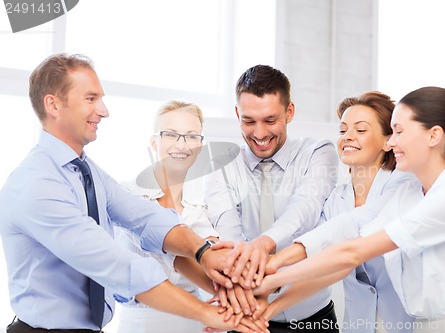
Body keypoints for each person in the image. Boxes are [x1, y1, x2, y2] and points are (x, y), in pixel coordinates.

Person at [0, 53, 268, 333]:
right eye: (91, 99)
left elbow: (146, 218)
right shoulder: (37, 185)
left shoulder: (86, 170)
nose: (104, 111)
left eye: (191, 135)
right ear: (53, 104)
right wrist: (210, 314)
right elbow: (118, 266)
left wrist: (203, 252)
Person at [254, 86, 445, 333]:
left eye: (399, 131)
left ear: (433, 136)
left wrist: (272, 278)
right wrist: (271, 298)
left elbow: (352, 252)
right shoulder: (409, 194)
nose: (393, 140)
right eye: (343, 129)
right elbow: (349, 234)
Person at [250, 91, 416, 333]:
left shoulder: (404, 184)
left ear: (387, 141)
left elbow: (351, 228)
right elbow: (323, 268)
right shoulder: (335, 201)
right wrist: (269, 310)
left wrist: (274, 266)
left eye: (360, 130)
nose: (347, 137)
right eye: (342, 130)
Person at [204, 64, 339, 332]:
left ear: (289, 112)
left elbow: (305, 209)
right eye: (249, 121)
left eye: (270, 120)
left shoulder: (318, 152)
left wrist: (262, 244)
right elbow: (227, 228)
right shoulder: (221, 164)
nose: (260, 133)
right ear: (236, 114)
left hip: (312, 319)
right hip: (244, 317)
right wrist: (244, 265)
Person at [113, 101, 220, 333]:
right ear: (154, 142)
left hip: (193, 322)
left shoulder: (203, 203)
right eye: (171, 134)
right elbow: (170, 249)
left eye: (191, 136)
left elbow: (215, 254)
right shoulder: (128, 194)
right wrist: (224, 292)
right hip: (140, 322)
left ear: (200, 146)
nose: (181, 145)